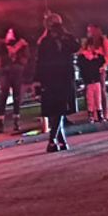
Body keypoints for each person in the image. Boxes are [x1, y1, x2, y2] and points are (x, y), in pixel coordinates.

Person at [35, 13, 79, 152]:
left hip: (61, 77)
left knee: (58, 110)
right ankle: (53, 140)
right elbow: (40, 62)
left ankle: (61, 141)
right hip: (54, 77)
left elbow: (75, 47)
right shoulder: (45, 41)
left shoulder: (64, 38)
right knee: (57, 110)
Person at [81, 25, 108, 122]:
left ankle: (104, 114)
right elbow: (83, 53)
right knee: (90, 93)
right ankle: (93, 114)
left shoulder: (103, 41)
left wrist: (103, 65)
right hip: (90, 70)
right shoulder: (88, 42)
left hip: (99, 69)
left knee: (101, 91)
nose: (89, 32)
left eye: (91, 30)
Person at [77, 34, 107, 123]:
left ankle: (99, 115)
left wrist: (96, 55)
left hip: (96, 79)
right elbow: (82, 67)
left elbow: (102, 61)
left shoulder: (96, 56)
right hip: (89, 81)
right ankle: (91, 115)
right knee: (90, 99)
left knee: (98, 98)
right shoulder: (83, 57)